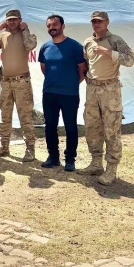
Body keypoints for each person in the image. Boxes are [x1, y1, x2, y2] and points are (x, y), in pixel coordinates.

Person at [79, 11, 134, 185]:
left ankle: (111, 169)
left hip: (110, 90)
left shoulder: (115, 40)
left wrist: (109, 53)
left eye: (100, 21)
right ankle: (96, 163)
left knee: (111, 129)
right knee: (92, 127)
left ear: (107, 22)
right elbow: (86, 64)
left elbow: (130, 60)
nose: (96, 24)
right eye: (94, 21)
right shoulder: (88, 42)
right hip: (92, 89)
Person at [38, 15, 87, 172]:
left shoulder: (75, 46)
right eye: (49, 25)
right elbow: (44, 68)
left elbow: (83, 69)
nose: (52, 27)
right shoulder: (45, 47)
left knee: (70, 127)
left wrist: (72, 83)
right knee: (50, 126)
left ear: (63, 26)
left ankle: (70, 159)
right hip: (49, 93)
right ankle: (53, 157)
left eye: (55, 24)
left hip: (69, 94)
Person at [0, 9, 38, 161]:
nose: (12, 22)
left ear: (20, 20)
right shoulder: (3, 35)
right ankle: (4, 146)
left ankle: (30, 149)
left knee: (25, 116)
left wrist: (25, 30)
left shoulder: (28, 35)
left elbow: (30, 46)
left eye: (15, 19)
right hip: (6, 82)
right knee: (5, 116)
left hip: (22, 82)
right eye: (9, 20)